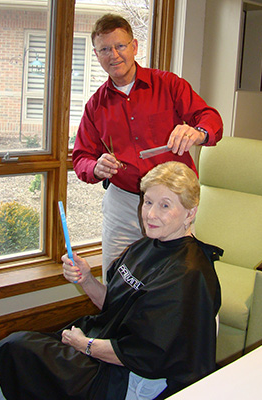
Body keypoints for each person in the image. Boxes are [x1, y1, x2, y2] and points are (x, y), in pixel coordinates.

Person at [0, 161, 222, 400]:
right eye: (148, 202)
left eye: (165, 205)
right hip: (105, 344)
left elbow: (147, 354)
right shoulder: (146, 246)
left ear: (190, 211)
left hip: (126, 379)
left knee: (16, 352)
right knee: (16, 351)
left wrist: (85, 345)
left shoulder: (188, 275)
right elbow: (116, 305)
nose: (151, 214)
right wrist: (86, 279)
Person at [72, 13, 223, 281]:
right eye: (105, 49)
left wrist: (197, 132)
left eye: (120, 46)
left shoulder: (169, 84)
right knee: (117, 277)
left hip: (171, 200)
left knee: (179, 276)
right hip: (123, 201)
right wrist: (95, 167)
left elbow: (211, 120)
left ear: (134, 47)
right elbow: (81, 157)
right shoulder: (96, 105)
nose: (114, 55)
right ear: (97, 55)